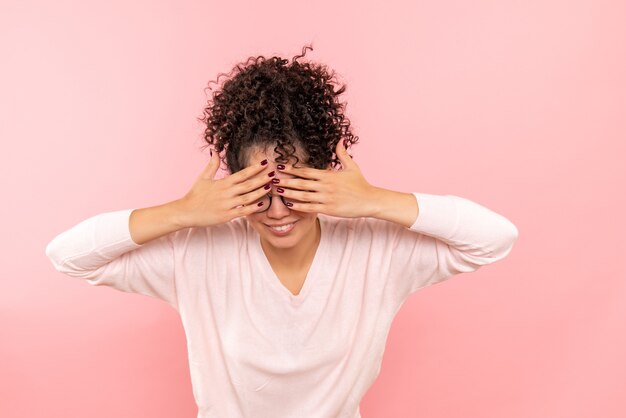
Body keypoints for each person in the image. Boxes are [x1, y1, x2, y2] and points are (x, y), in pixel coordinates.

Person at [45, 45, 519, 418]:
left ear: (323, 177)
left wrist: (373, 200)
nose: (277, 212)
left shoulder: (378, 249)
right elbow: (67, 255)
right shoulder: (197, 252)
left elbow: (495, 238)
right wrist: (182, 211)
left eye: (295, 190)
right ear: (232, 184)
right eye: (258, 193)